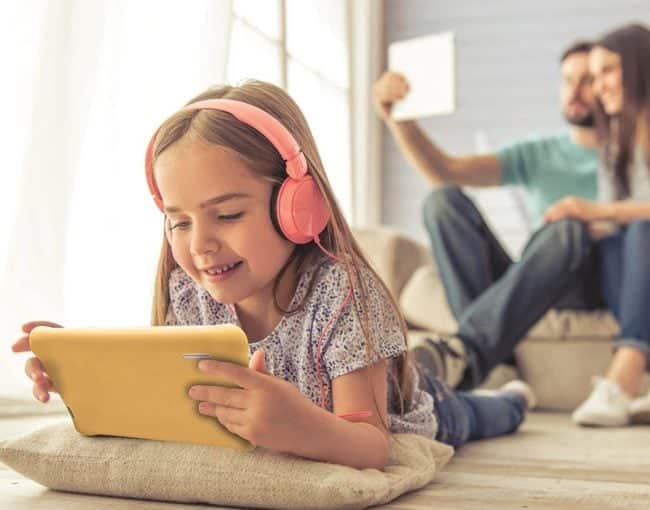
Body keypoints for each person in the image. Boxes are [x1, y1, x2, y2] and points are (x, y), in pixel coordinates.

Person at [11, 80, 536, 468]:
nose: (200, 245)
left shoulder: (343, 291)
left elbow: (373, 446)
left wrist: (299, 426)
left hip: (417, 408)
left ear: (298, 206)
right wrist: (86, 374)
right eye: (179, 221)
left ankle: (510, 399)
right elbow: (169, 402)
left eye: (229, 214)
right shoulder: (189, 291)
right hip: (373, 372)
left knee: (474, 415)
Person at [374, 41, 602, 390]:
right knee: (442, 200)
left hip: (588, 281)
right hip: (534, 279)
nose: (575, 90)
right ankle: (490, 359)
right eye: (567, 79)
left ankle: (467, 351)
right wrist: (398, 121)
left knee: (568, 229)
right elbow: (445, 170)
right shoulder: (540, 153)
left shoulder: (633, 157)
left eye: (587, 79)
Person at [544, 24, 650, 427]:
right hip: (635, 268)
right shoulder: (613, 147)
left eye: (606, 72)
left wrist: (602, 212)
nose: (597, 88)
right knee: (605, 241)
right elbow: (610, 221)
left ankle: (623, 379)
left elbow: (618, 213)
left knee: (641, 229)